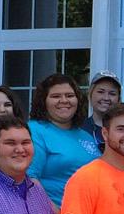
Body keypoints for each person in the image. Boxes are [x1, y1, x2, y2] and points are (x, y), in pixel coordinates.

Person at [27, 74, 101, 206]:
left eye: (69, 95)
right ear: (44, 101)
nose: (64, 100)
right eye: (56, 96)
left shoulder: (85, 135)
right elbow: (30, 179)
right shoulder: (34, 130)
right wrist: (55, 213)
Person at [81, 71, 122, 139]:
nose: (106, 98)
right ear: (90, 95)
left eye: (112, 93)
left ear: (119, 99)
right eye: (100, 92)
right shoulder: (79, 130)